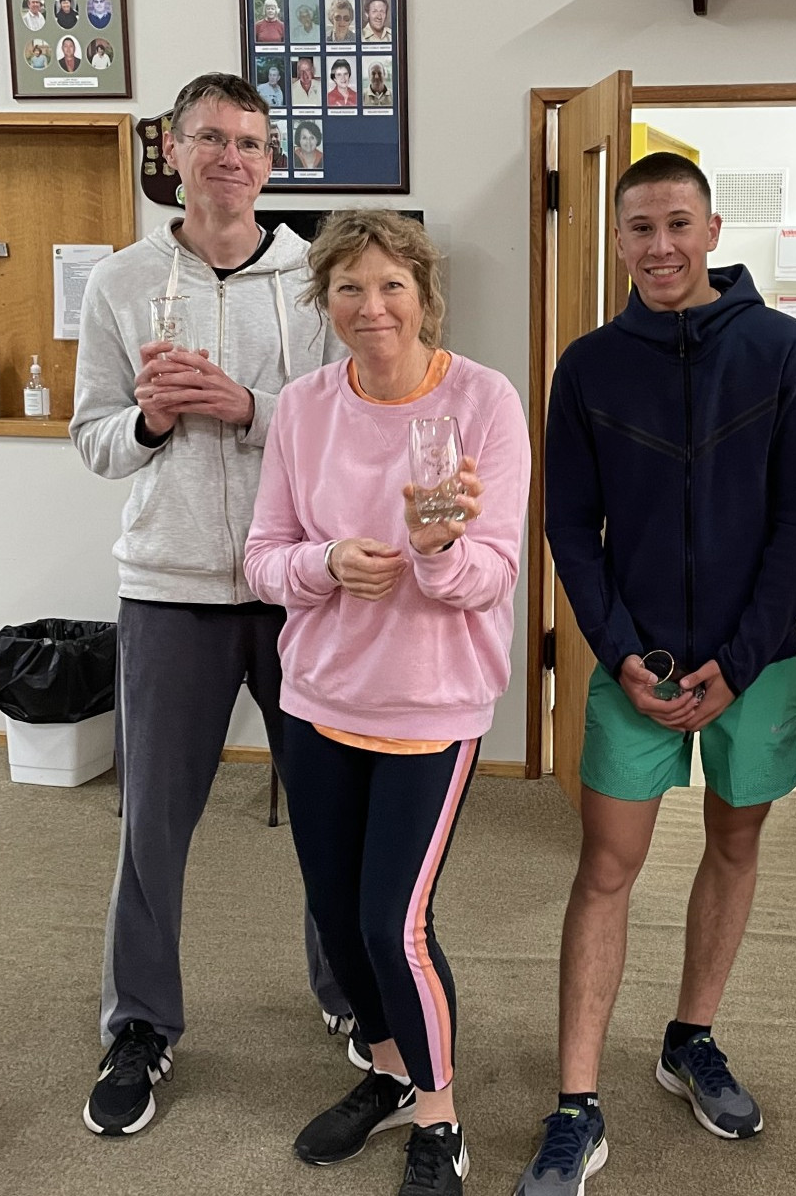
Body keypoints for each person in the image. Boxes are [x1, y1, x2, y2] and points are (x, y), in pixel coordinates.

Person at [519, 152, 796, 1194]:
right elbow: (569, 524)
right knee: (604, 867)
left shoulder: (784, 352)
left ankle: (689, 1037)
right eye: (639, 227)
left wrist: (737, 663)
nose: (660, 245)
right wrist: (617, 652)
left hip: (753, 662)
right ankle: (575, 1103)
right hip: (633, 663)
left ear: (711, 229)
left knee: (734, 847)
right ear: (616, 239)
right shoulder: (590, 365)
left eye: (678, 224)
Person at [70, 71, 357, 1139]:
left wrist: (248, 408)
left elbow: (348, 429)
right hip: (169, 590)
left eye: (249, 142)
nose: (229, 158)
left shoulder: (317, 279)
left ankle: (348, 995)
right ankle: (139, 1023)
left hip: (301, 591)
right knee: (151, 825)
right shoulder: (118, 283)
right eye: (208, 139)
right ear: (172, 152)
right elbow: (92, 439)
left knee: (332, 809)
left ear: (271, 163)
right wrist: (146, 421)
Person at [246, 207, 529, 1196]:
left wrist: (437, 548)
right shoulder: (303, 407)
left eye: (390, 285)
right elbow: (261, 559)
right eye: (349, 288)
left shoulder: (485, 404)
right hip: (318, 693)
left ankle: (440, 1118)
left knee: (389, 923)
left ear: (423, 295)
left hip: (429, 703)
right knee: (333, 912)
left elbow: (492, 576)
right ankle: (389, 1068)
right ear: (325, 302)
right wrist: (324, 564)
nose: (372, 307)